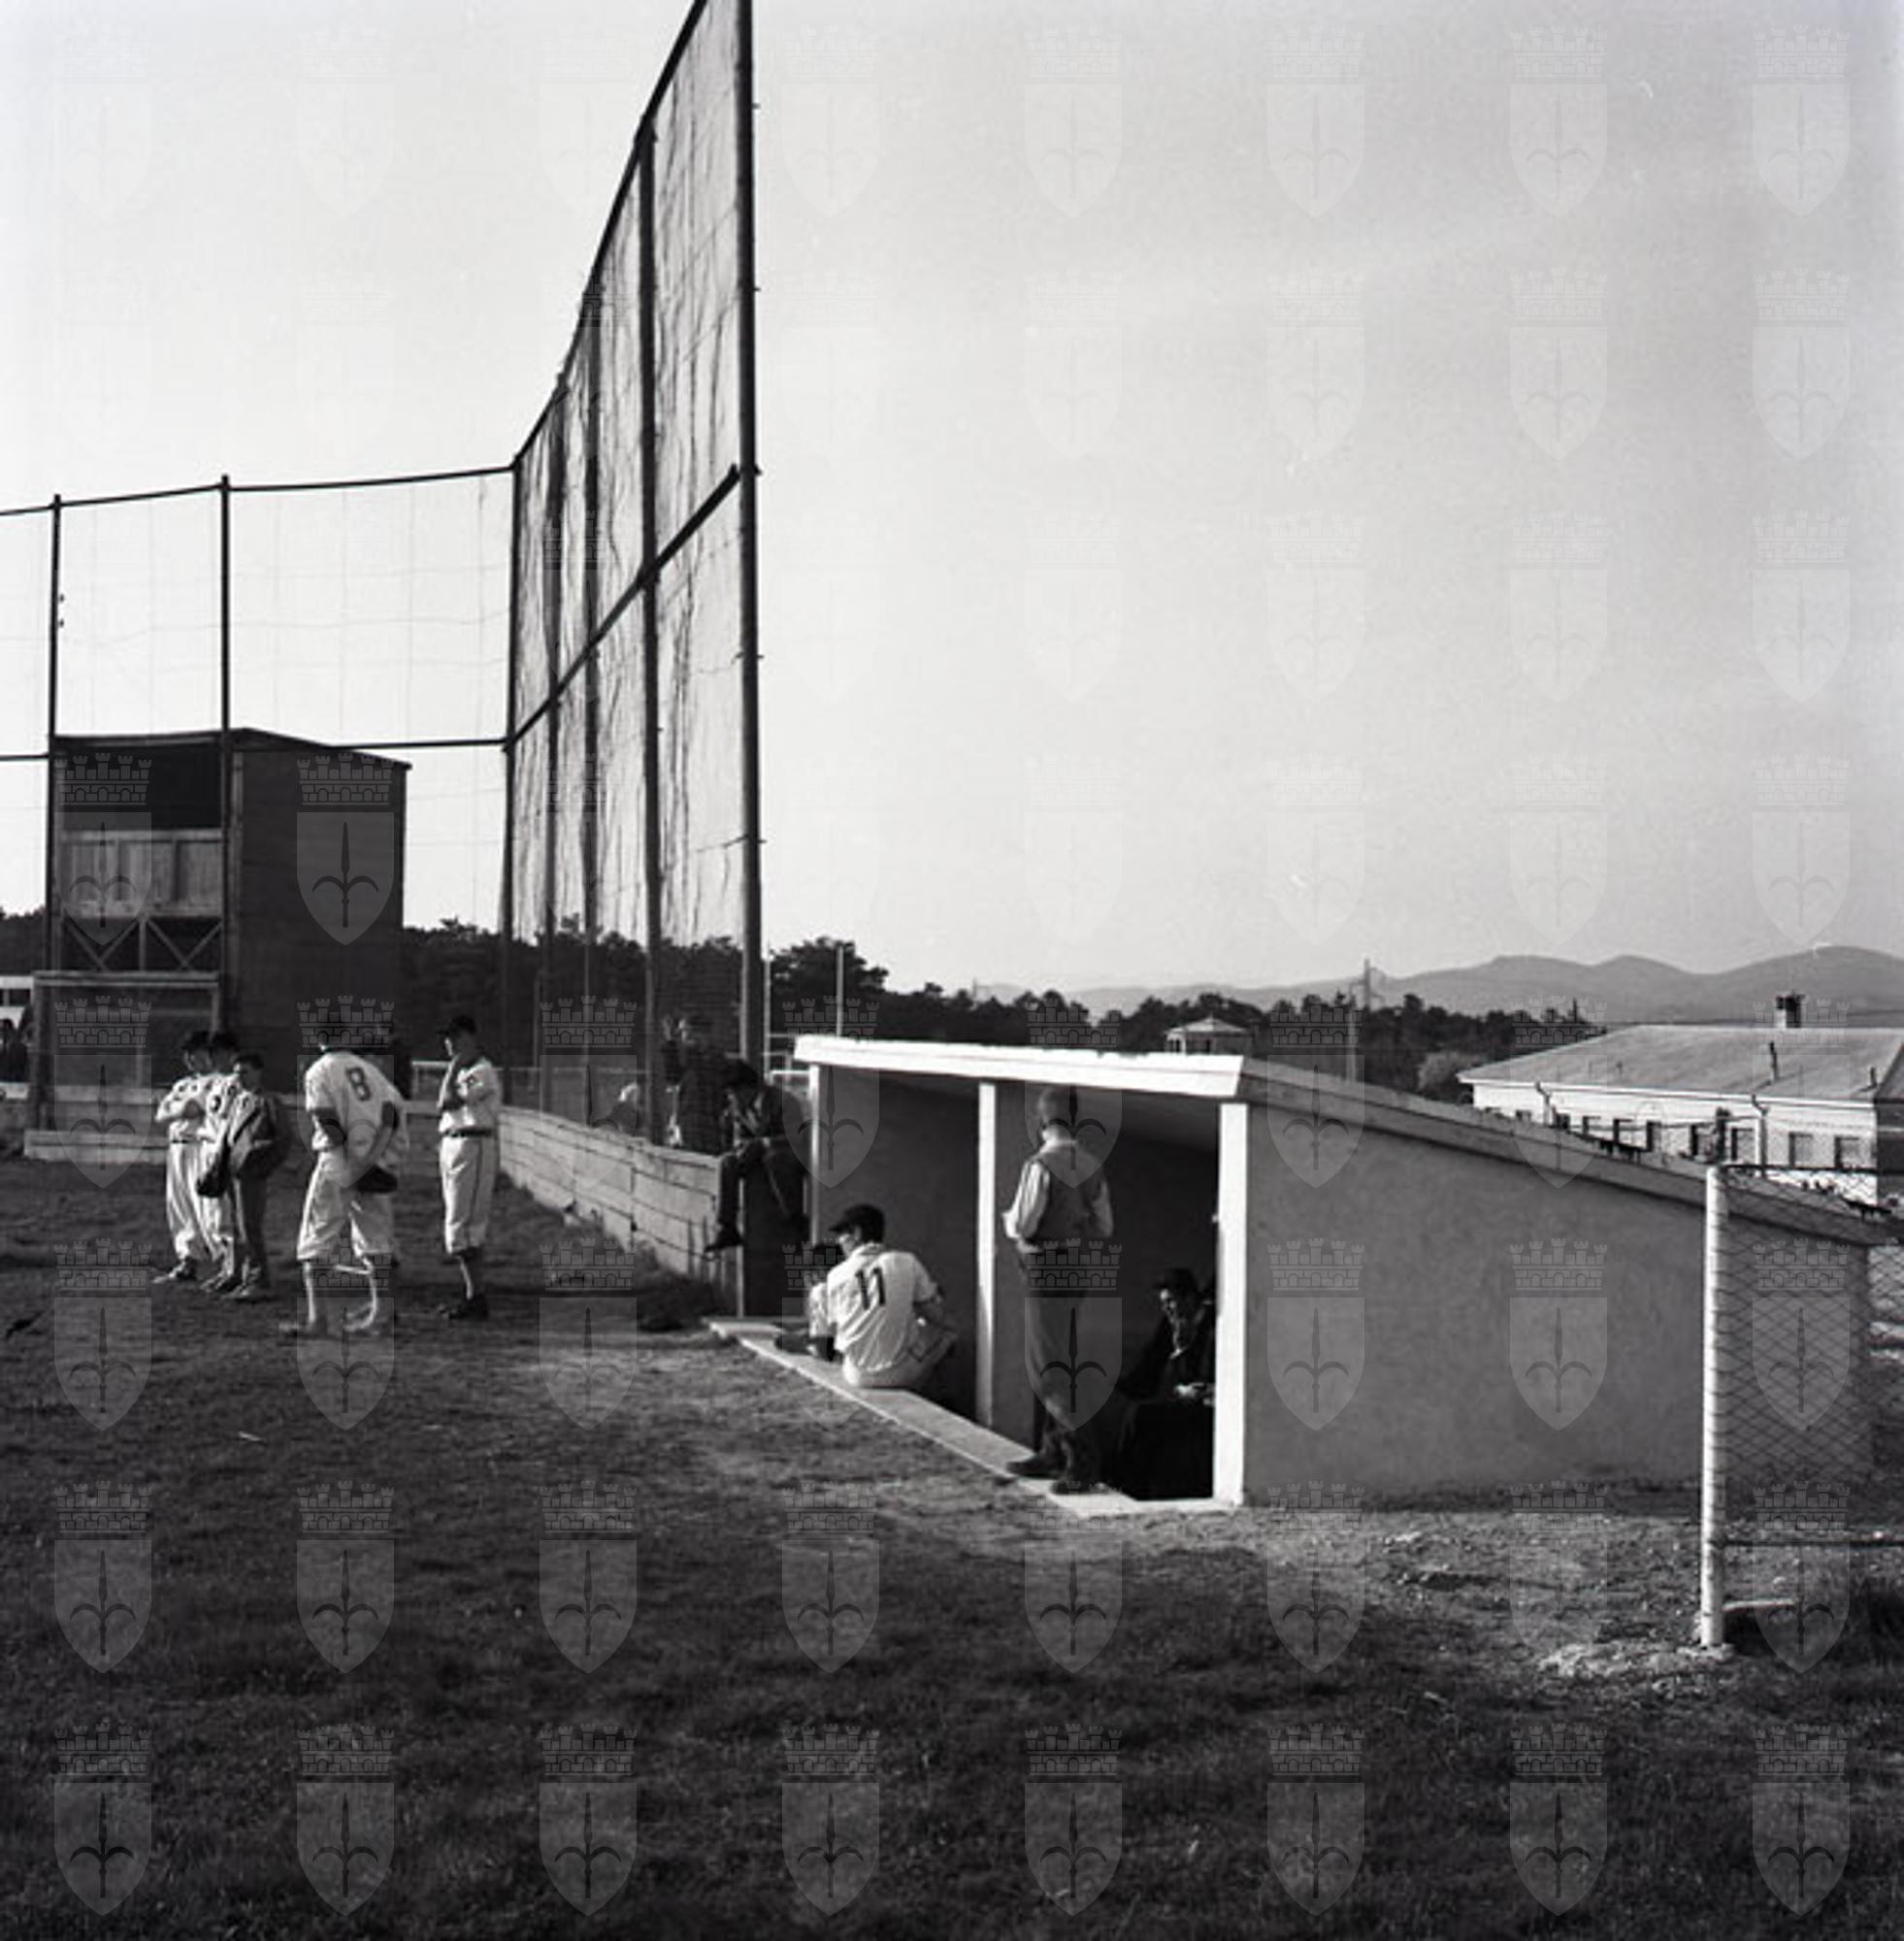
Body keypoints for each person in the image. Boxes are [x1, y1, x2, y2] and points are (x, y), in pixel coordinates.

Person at [1001, 1085, 1115, 1495]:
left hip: (1044, 1267)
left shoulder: (1040, 1164)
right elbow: (1105, 1227)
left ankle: (1082, 1462)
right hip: (1076, 1268)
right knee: (1063, 1357)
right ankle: (1053, 1450)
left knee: (1047, 1364)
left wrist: (1009, 1223)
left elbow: (1023, 1223)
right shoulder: (1090, 1164)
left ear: (1041, 1120)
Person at [283, 1013, 408, 1339]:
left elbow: (326, 1118)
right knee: (376, 1239)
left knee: (317, 1237)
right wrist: (380, 1159)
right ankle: (381, 1316)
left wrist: (351, 1160)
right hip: (374, 1159)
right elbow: (393, 1115)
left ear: (319, 1038)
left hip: (340, 1160)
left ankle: (317, 1320)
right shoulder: (372, 1072)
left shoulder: (320, 1069)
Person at [804, 1202, 956, 1394]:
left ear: (857, 1233)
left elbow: (832, 1333)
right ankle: (932, 1394)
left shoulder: (836, 1274)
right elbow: (935, 1316)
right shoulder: (906, 1261)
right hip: (902, 1374)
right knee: (947, 1332)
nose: (839, 1241)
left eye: (842, 1234)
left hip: (855, 1375)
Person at [1107, 1269, 1217, 1500]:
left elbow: (1204, 1376)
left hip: (1212, 1407)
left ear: (1190, 1298)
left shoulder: (1212, 1325)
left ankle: (1128, 1485)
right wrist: (1180, 1351)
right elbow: (1178, 1378)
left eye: (1170, 1301)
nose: (1166, 1309)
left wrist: (1183, 1352)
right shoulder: (1177, 1324)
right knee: (1140, 1414)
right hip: (1190, 1400)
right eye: (1163, 1303)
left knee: (1142, 1415)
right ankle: (1126, 1483)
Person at [435, 1013, 500, 1322]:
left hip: (474, 1144)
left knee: (464, 1228)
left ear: (470, 1037)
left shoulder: (481, 1070)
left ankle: (477, 1297)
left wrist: (452, 1068)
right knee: (459, 1225)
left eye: (456, 1036)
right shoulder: (465, 1071)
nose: (450, 1043)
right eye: (448, 1037)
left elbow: (446, 1101)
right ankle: (474, 1296)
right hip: (455, 1143)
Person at [706, 1059, 804, 1251]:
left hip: (790, 1156)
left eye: (732, 1094)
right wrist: (741, 1149)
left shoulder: (785, 1102)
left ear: (747, 1090)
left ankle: (794, 1220)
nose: (730, 1099)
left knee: (775, 1158)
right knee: (727, 1162)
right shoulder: (737, 1108)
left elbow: (797, 1138)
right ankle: (727, 1227)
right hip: (759, 1155)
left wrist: (763, 1143)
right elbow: (738, 1138)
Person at [219, 1053, 291, 1300]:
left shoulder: (268, 1101)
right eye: (236, 1073)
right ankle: (241, 1275)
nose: (239, 1078)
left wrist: (261, 1165)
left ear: (259, 1073)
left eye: (245, 1072)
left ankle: (259, 1281)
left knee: (250, 1227)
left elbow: (283, 1139)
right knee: (236, 1227)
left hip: (251, 1171)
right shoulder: (238, 1100)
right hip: (232, 1169)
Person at [151, 1031, 213, 1286]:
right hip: (176, 1147)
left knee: (206, 1206)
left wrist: (175, 1109)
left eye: (195, 1053)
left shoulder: (215, 1082)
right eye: (187, 1054)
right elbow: (160, 1115)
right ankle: (188, 1261)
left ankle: (227, 1262)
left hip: (199, 1147)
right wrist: (179, 1110)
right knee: (179, 1205)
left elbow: (192, 1109)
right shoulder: (182, 1084)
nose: (190, 1059)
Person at [200, 1030, 244, 1295]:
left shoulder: (236, 1082)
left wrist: (220, 1155)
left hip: (225, 1152)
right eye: (210, 1054)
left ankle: (235, 1271)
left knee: (228, 1215)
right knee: (216, 1216)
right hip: (211, 1149)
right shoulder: (217, 1082)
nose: (212, 1059)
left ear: (230, 1053)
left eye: (216, 1053)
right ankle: (227, 1268)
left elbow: (229, 1123)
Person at [664, 1013, 726, 1153]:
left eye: (684, 1032)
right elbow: (673, 1077)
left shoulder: (712, 1058)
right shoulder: (693, 1059)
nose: (682, 1038)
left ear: (696, 1033)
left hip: (706, 1123)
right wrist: (670, 1042)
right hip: (690, 1121)